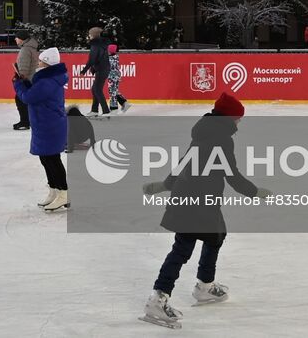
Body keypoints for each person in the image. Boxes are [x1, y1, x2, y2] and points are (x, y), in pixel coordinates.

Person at [141, 92, 261, 329]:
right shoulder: (221, 138)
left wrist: (166, 184)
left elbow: (186, 160)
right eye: (238, 118)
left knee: (216, 236)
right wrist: (255, 192)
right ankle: (158, 298)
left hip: (196, 198)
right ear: (229, 117)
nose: (239, 122)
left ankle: (205, 286)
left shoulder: (206, 132)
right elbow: (232, 175)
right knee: (183, 248)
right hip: (196, 201)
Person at [12, 46, 70, 212]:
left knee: (52, 160)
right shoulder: (48, 78)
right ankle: (55, 190)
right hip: (46, 123)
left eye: (40, 61)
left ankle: (64, 193)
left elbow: (29, 97)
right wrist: (24, 82)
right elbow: (35, 93)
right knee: (46, 159)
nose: (38, 63)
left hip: (49, 125)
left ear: (47, 63)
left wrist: (17, 84)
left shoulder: (47, 81)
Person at [78, 26, 110, 116]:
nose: (89, 36)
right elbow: (98, 58)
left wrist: (83, 71)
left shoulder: (95, 45)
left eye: (90, 34)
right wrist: (93, 68)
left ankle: (106, 111)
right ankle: (94, 110)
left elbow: (92, 60)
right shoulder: (102, 44)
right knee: (95, 89)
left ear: (94, 35)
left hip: (101, 70)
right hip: (103, 69)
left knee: (97, 89)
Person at [12, 33, 40, 130]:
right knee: (26, 100)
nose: (15, 39)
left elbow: (24, 67)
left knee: (20, 99)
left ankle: (25, 122)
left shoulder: (25, 50)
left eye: (17, 37)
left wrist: (19, 76)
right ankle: (29, 120)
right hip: (33, 79)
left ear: (21, 39)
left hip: (27, 79)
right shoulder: (32, 48)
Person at [107, 43, 130, 112]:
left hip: (112, 76)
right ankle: (124, 102)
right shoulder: (115, 57)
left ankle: (113, 108)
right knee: (114, 91)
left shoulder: (110, 58)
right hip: (115, 76)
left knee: (112, 92)